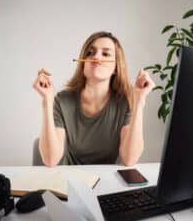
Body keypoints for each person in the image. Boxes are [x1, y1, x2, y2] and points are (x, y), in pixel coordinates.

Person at [33, 31, 155, 166]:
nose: (96, 57)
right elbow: (50, 160)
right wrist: (47, 100)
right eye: (90, 53)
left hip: (109, 183)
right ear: (83, 64)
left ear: (116, 67)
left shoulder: (125, 102)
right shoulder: (62, 100)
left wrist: (139, 101)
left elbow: (129, 159)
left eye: (106, 54)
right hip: (67, 181)